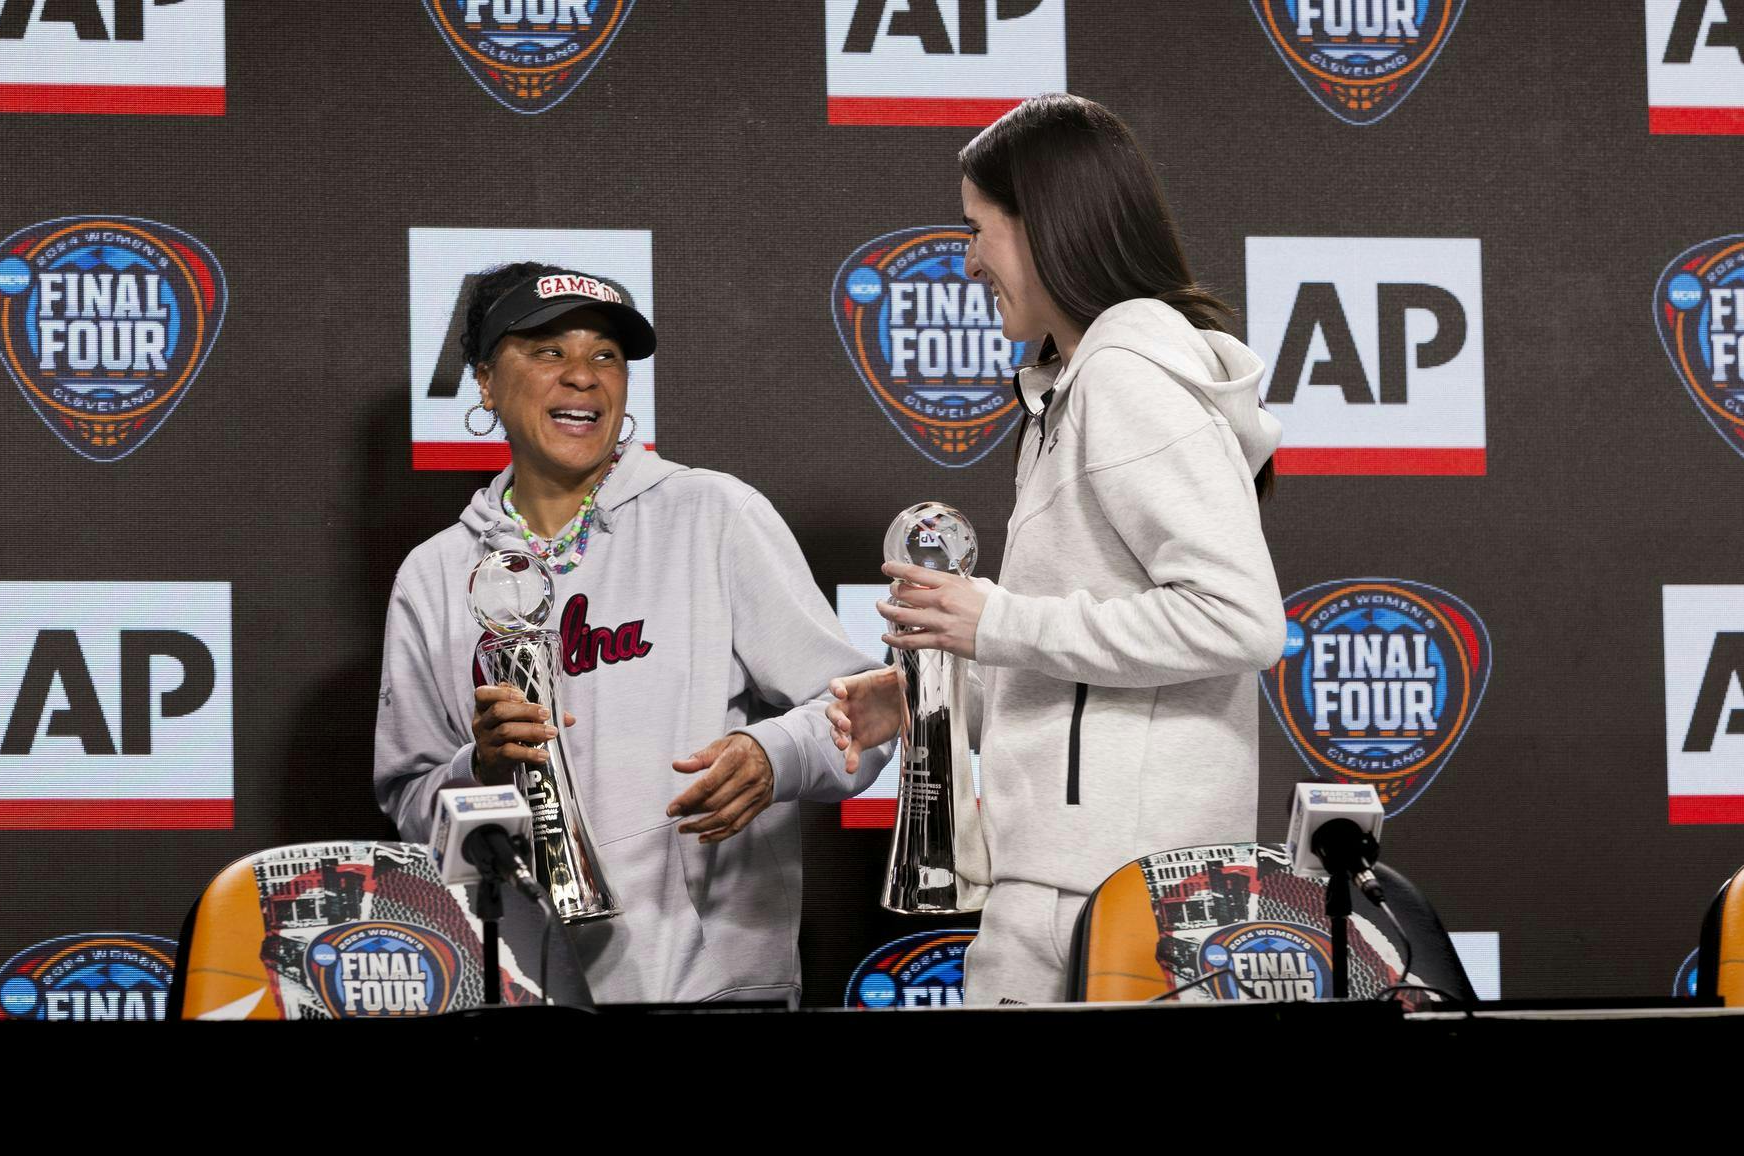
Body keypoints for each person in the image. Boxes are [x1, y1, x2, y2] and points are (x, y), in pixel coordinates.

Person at [828, 94, 1287, 1005]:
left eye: (978, 229)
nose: (967, 259)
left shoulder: (1123, 380)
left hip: (1122, 895)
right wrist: (942, 695)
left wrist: (998, 620)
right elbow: (1093, 650)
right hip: (1081, 884)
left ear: (1045, 227)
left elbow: (1238, 620)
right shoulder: (1070, 390)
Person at [376, 261, 891, 1005]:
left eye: (605, 355)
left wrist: (773, 752)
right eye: (548, 350)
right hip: (516, 994)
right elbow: (411, 801)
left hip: (710, 990)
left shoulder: (714, 515)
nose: (583, 376)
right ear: (485, 382)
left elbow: (863, 714)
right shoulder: (434, 574)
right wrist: (480, 767)